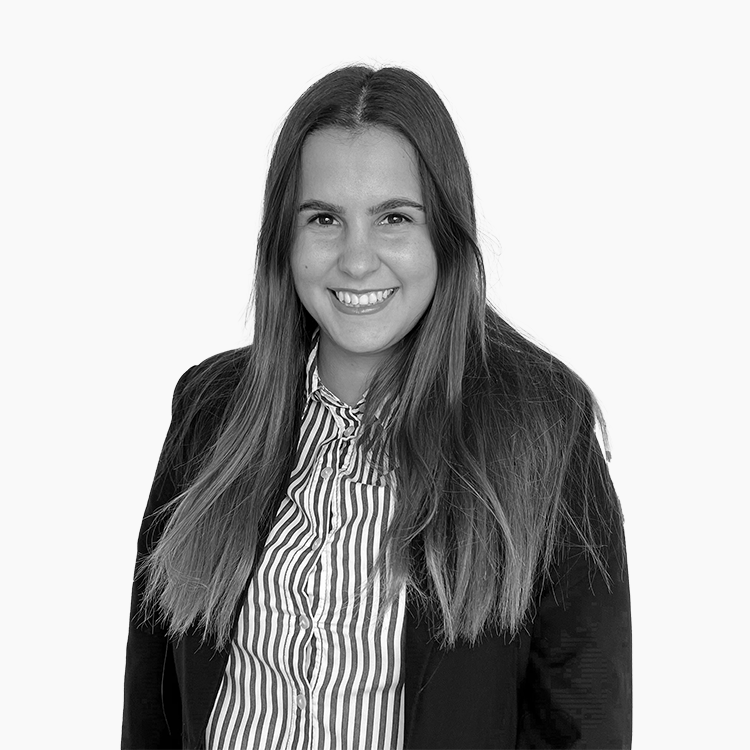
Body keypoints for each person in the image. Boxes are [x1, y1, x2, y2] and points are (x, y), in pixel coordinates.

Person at [122, 65, 631, 750]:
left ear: (444, 233)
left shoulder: (543, 427)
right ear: (284, 240)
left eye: (394, 218)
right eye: (324, 219)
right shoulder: (209, 412)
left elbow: (583, 725)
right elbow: (151, 704)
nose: (357, 261)